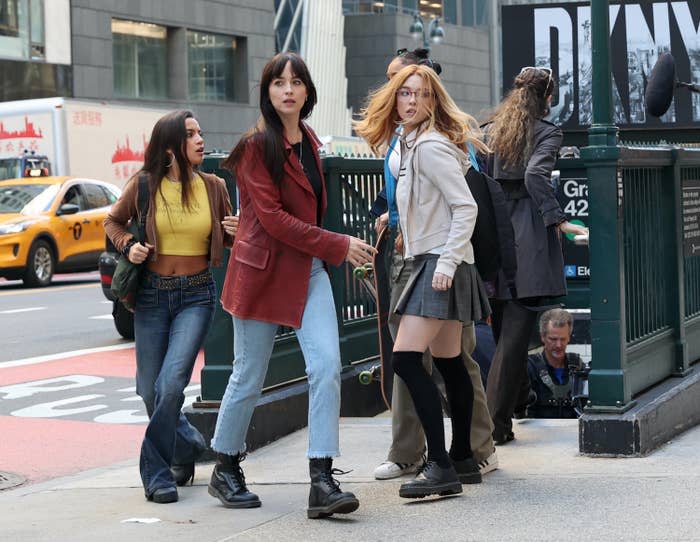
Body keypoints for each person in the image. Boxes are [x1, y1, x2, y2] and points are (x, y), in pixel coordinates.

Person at [207, 52, 375, 519]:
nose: (287, 90)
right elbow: (275, 220)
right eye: (278, 82)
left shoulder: (311, 141)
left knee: (326, 366)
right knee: (248, 375)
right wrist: (338, 244)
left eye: (295, 82)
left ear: (306, 92)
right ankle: (225, 465)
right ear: (267, 91)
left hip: (307, 271)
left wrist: (328, 249)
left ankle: (321, 480)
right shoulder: (255, 147)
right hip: (261, 274)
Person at [356, 64, 491, 498]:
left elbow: (465, 207)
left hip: (439, 263)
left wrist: (447, 264)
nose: (412, 102)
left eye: (421, 95)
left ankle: (439, 465)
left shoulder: (430, 146)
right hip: (432, 260)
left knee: (407, 361)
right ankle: (464, 460)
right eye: (405, 94)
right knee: (450, 363)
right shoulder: (412, 144)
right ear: (395, 100)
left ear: (433, 102)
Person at [104, 110, 236, 504]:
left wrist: (235, 231)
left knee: (171, 383)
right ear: (170, 146)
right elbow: (113, 222)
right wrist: (130, 245)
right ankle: (187, 443)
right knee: (148, 389)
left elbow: (228, 237)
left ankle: (156, 473)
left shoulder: (213, 186)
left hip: (196, 293)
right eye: (191, 134)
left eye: (200, 132)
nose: (200, 140)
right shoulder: (143, 186)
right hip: (151, 295)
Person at [482, 66, 589, 444]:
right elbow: (535, 177)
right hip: (526, 234)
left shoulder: (490, 129)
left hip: (493, 231)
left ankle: (512, 410)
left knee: (503, 337)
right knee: (513, 341)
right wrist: (557, 218)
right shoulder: (548, 132)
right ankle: (493, 427)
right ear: (547, 98)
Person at [525, 308, 588, 418]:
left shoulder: (578, 366)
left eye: (563, 339)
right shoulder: (530, 367)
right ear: (542, 337)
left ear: (569, 337)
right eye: (553, 339)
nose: (558, 345)